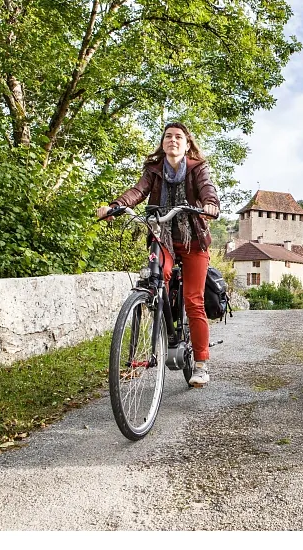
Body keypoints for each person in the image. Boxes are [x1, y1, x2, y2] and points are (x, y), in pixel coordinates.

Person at [97, 122, 220, 388]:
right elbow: (138, 191)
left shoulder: (197, 168)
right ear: (163, 143)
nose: (172, 140)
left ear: (187, 144)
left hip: (192, 240)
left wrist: (210, 205)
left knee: (193, 300)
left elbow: (207, 188)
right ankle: (159, 320)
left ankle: (200, 362)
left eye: (178, 137)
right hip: (161, 235)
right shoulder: (154, 169)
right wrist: (115, 206)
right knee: (156, 279)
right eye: (168, 136)